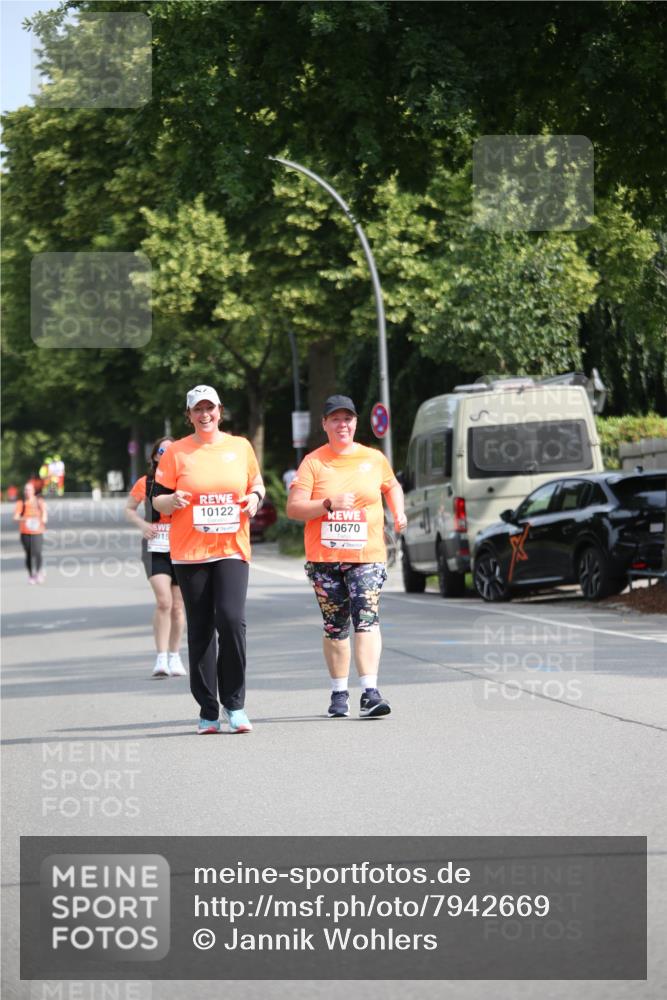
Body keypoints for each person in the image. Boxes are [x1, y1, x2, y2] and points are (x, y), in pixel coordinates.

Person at [152, 385, 265, 735]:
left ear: (220, 411)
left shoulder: (240, 447)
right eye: (197, 409)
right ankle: (207, 710)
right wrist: (171, 503)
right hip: (190, 552)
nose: (205, 415)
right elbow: (157, 499)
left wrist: (255, 499)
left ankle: (236, 704)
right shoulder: (176, 453)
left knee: (231, 621)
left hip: (231, 547)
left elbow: (257, 484)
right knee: (201, 628)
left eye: (210, 408)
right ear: (189, 415)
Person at [286, 394, 407, 719]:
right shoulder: (314, 462)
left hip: (367, 554)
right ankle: (339, 692)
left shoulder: (373, 458)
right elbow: (294, 508)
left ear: (356, 422)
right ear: (325, 424)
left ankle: (370, 691)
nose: (343, 424)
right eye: (336, 419)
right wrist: (327, 503)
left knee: (366, 616)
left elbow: (391, 486)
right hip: (325, 559)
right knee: (336, 626)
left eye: (348, 418)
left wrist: (399, 512)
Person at [125, 437, 187, 679]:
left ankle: (175, 655)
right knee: (164, 602)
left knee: (179, 606)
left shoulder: (185, 481)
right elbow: (129, 509)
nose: (167, 455)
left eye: (172, 451)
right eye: (162, 451)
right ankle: (161, 657)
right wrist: (142, 525)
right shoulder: (146, 482)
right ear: (155, 456)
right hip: (155, 545)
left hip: (181, 546)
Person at [13, 482, 48, 583]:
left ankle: (38, 572)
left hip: (37, 531)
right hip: (25, 532)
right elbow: (15, 517)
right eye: (26, 490)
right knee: (28, 553)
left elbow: (44, 512)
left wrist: (44, 517)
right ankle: (31, 575)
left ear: (33, 491)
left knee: (37, 552)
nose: (27, 492)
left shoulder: (39, 501)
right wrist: (25, 519)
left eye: (29, 490)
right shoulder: (21, 503)